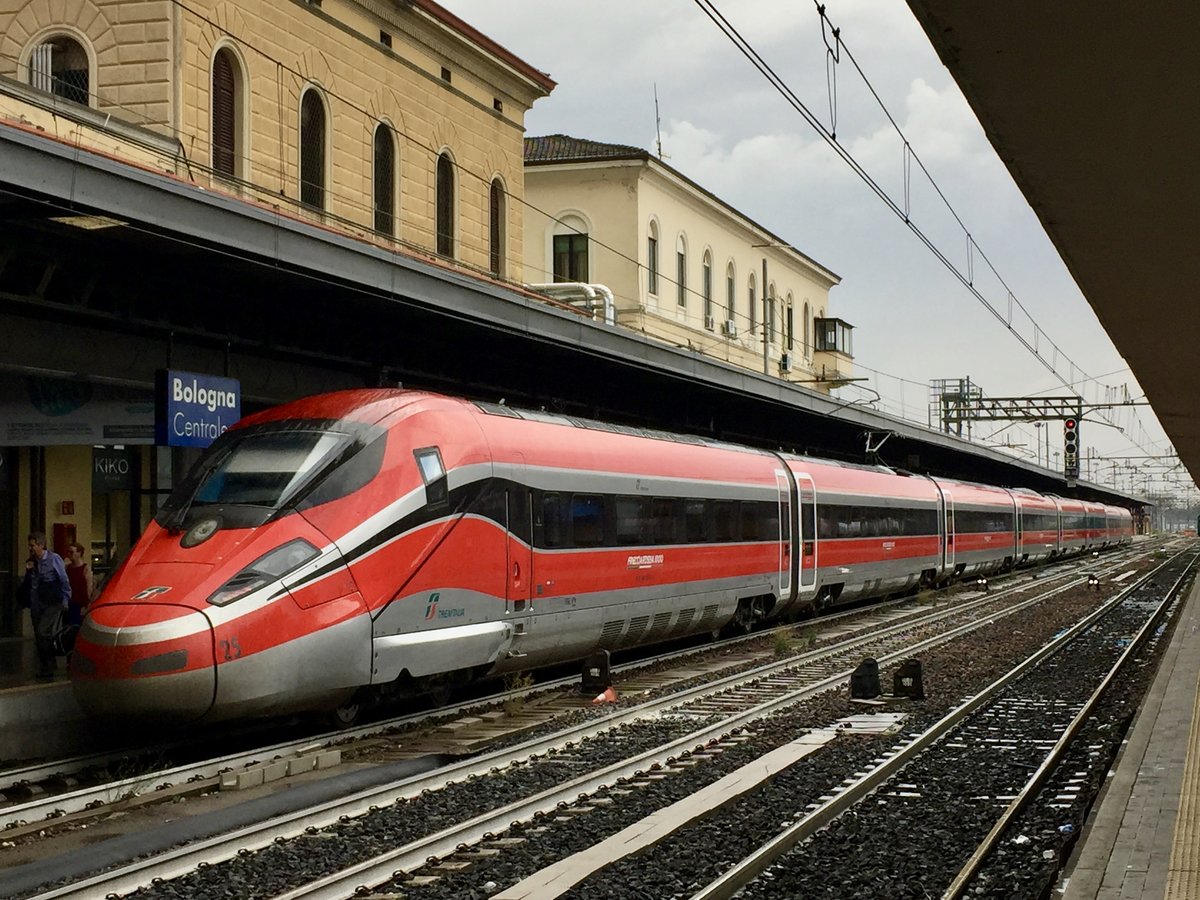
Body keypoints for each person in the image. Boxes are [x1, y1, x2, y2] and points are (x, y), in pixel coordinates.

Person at [20, 532, 72, 679]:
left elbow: (63, 580)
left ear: (41, 545)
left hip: (52, 602)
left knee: (43, 631)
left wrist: (66, 599)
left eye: (32, 545)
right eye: (29, 545)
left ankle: (48, 666)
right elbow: (31, 584)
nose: (30, 548)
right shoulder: (32, 562)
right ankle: (47, 665)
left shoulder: (53, 559)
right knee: (40, 636)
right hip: (37, 603)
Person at [64, 541, 94, 627]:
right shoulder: (67, 568)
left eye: (72, 552)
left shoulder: (85, 569)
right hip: (69, 602)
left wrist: (86, 604)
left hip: (80, 603)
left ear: (79, 553)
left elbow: (89, 588)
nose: (69, 554)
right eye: (68, 552)